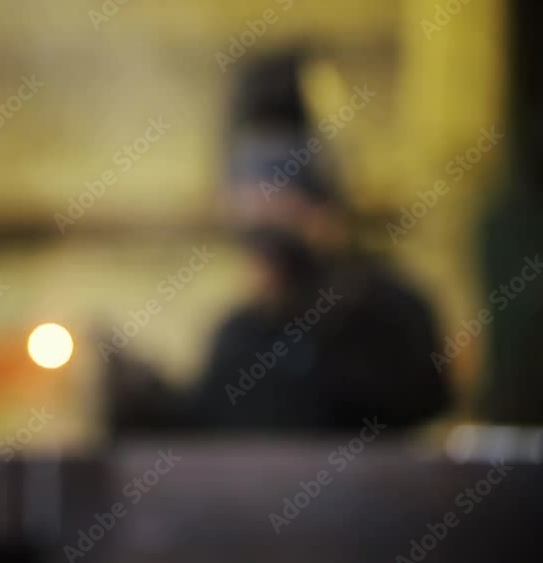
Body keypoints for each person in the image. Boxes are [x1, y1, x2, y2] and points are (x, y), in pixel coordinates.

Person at [108, 52, 451, 434]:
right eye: (250, 200)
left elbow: (417, 399)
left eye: (279, 198)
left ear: (323, 210)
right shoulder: (240, 334)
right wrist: (132, 390)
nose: (259, 214)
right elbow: (208, 430)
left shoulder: (388, 311)